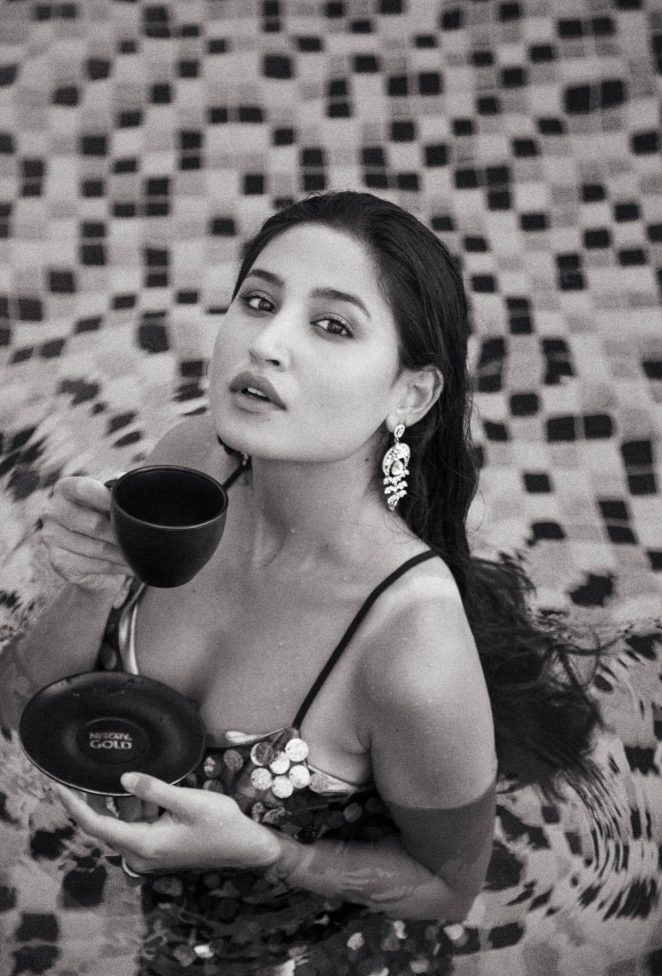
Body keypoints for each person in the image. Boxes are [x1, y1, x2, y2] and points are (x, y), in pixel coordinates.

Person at [4, 191, 603, 973]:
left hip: (277, 939)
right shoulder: (191, 463)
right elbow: (18, 706)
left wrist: (265, 851)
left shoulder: (411, 649)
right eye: (258, 301)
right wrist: (88, 583)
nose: (266, 344)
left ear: (410, 394)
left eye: (332, 325)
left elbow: (448, 890)